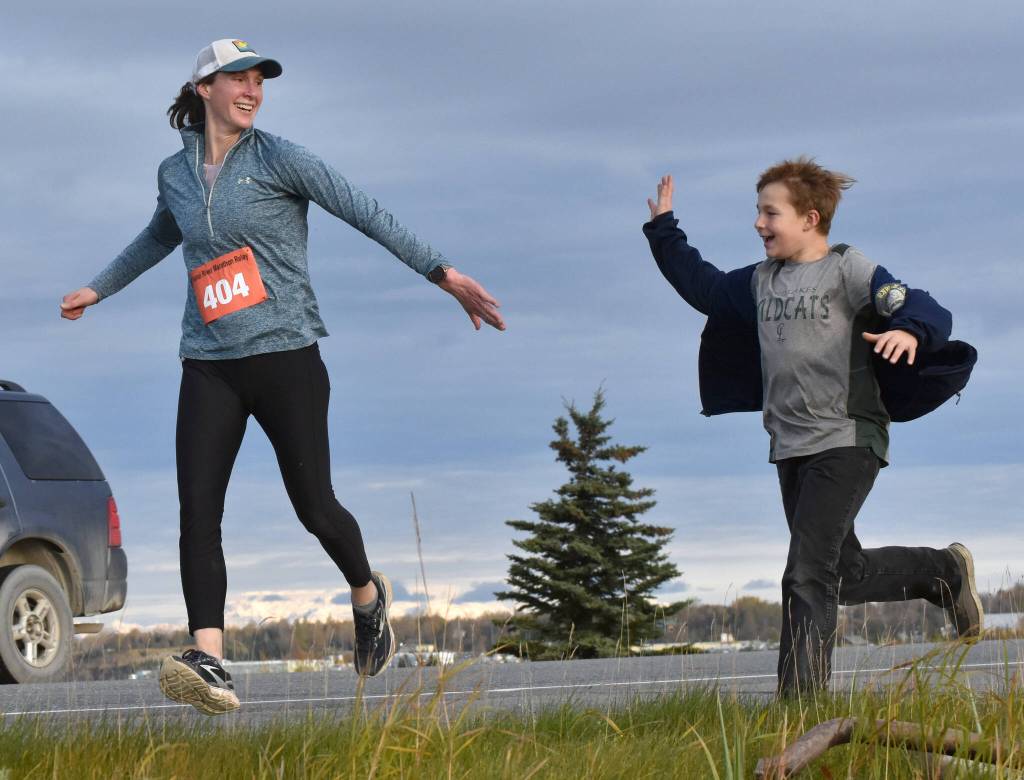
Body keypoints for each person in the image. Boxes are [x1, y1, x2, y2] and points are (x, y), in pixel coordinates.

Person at [61, 39, 505, 715]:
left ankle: (368, 596)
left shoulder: (281, 158)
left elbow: (364, 211)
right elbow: (159, 235)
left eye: (259, 80)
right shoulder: (175, 173)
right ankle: (210, 660)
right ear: (204, 88)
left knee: (314, 506)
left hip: (286, 357)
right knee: (197, 513)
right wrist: (99, 289)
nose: (252, 90)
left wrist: (442, 274)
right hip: (208, 362)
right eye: (237, 79)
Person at [643, 158, 981, 697]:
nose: (758, 222)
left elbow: (918, 304)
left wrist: (910, 331)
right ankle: (944, 573)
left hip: (848, 438)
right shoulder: (759, 281)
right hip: (790, 445)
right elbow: (704, 288)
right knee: (840, 573)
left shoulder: (848, 270)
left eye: (770, 212)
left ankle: (801, 709)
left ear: (809, 218)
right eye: (758, 211)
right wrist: (664, 230)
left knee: (805, 573)